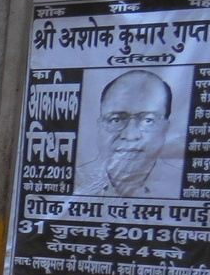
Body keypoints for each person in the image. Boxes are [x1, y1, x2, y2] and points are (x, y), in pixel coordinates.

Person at [74, 70, 184, 198]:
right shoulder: (74, 179)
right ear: (100, 126)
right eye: (116, 120)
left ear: (165, 128)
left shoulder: (180, 184)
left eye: (148, 121)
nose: (130, 135)